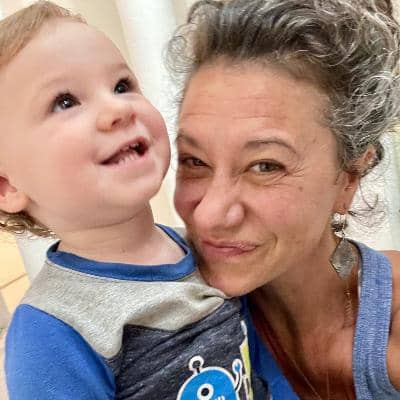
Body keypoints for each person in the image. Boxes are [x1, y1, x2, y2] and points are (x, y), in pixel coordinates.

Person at [1, 2, 269, 399]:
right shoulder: (52, 328)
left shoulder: (206, 248)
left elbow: (263, 363)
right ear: (7, 186)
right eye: (65, 101)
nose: (117, 109)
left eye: (122, 85)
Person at [167, 0, 400, 398]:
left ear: (349, 177)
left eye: (265, 166)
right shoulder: (163, 310)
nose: (209, 215)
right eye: (195, 161)